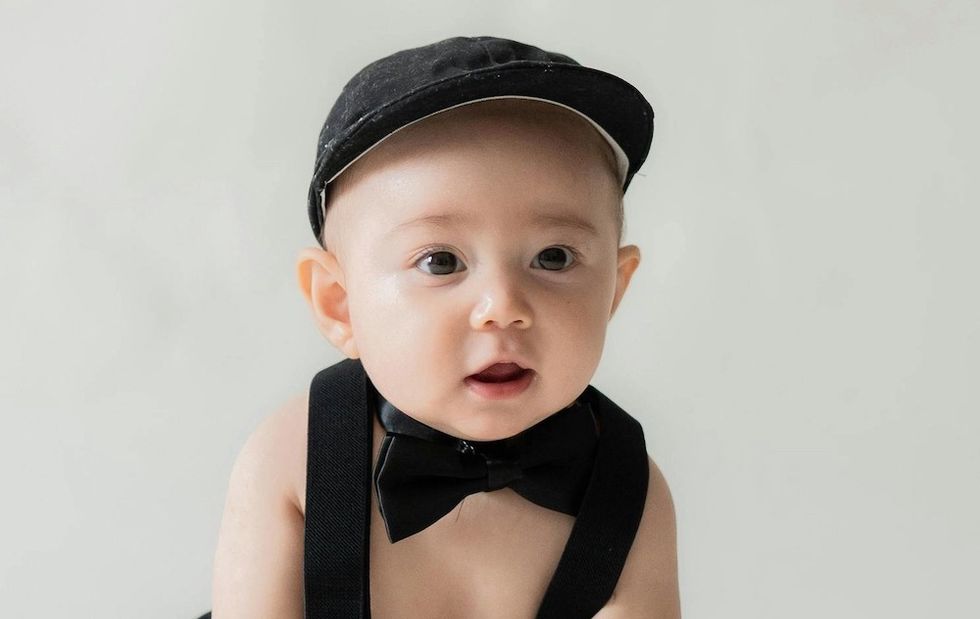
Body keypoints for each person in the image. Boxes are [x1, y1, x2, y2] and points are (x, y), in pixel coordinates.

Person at [207, 35, 680, 618]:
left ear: (614, 288)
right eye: (441, 262)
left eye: (553, 257)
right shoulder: (297, 456)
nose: (502, 306)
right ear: (339, 304)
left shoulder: (628, 489)